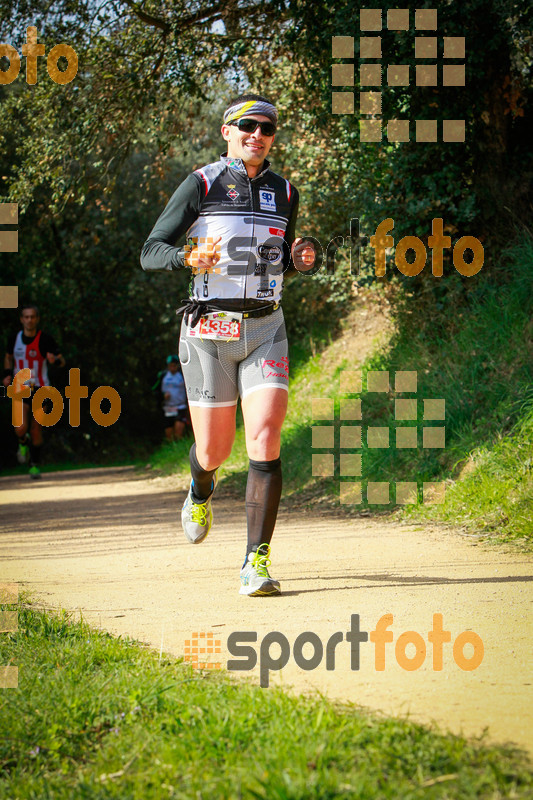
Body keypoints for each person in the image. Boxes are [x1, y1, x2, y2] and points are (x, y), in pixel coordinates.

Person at [141, 93, 316, 596]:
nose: (257, 134)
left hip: (266, 327)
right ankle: (200, 486)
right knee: (215, 448)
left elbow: (274, 259)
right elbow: (151, 251)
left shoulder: (285, 192)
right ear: (227, 131)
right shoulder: (200, 183)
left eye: (266, 128)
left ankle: (255, 563)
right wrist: (185, 258)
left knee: (264, 437)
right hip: (208, 331)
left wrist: (296, 259)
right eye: (247, 125)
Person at [3, 304, 65, 479]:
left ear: (37, 319)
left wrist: (55, 360)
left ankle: (34, 465)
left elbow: (62, 360)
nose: (29, 320)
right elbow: (8, 357)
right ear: (22, 319)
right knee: (20, 428)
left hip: (41, 388)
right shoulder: (14, 339)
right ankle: (23, 443)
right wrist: (7, 374)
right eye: (26, 317)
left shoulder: (46, 340)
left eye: (32, 317)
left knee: (36, 428)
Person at [156, 355, 191, 441]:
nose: (172, 368)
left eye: (174, 365)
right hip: (168, 407)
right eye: (170, 366)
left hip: (180, 406)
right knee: (169, 435)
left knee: (178, 433)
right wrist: (162, 395)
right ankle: (172, 449)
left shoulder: (182, 375)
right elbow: (155, 390)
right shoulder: (163, 375)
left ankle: (180, 449)